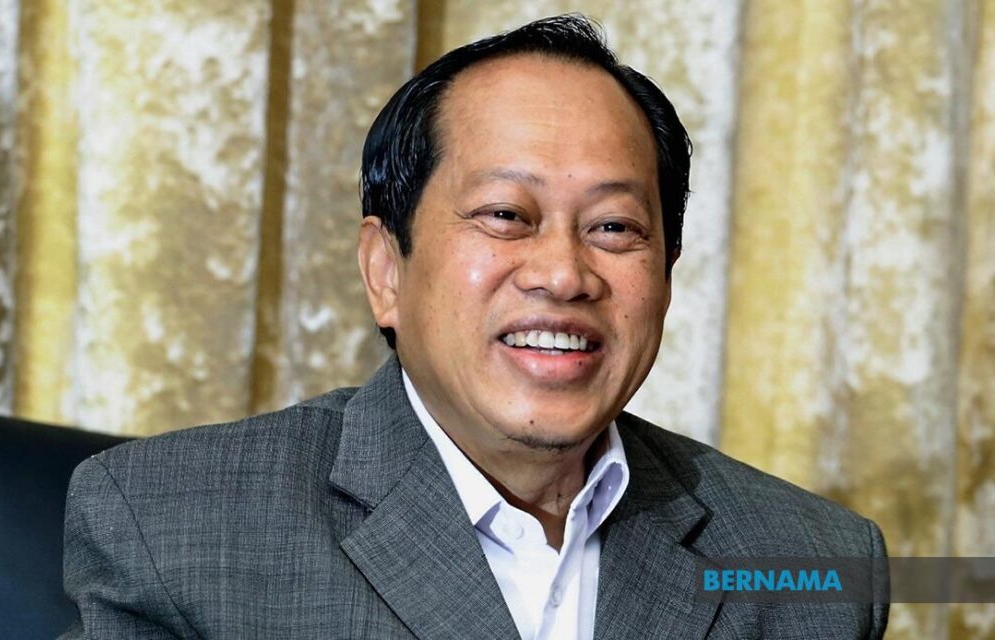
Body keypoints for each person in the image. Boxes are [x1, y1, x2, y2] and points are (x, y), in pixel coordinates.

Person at [61, 15, 888, 639]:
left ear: (667, 275)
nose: (562, 274)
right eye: (505, 215)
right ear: (386, 270)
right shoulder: (171, 528)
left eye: (614, 227)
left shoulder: (812, 565)